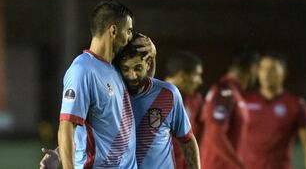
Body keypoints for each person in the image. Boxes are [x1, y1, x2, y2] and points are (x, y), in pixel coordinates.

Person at [39, 36, 200, 169]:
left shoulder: (168, 95)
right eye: (125, 69)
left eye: (138, 68)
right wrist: (59, 154)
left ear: (148, 64)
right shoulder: (109, 97)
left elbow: (187, 140)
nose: (132, 75)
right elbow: (81, 135)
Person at [47, 0, 156, 169]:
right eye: (128, 31)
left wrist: (152, 56)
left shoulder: (115, 69)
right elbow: (67, 126)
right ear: (113, 30)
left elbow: (143, 90)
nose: (130, 37)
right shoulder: (82, 70)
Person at [240, 53, 306, 169]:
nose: (266, 73)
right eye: (262, 69)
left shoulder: (296, 105)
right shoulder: (244, 102)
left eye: (272, 69)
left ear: (284, 73)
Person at [200, 49, 259, 169]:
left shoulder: (235, 93)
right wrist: (239, 166)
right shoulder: (225, 92)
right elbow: (215, 134)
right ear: (252, 68)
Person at [164, 51, 204, 169]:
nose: (200, 81)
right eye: (197, 75)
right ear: (182, 75)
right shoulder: (152, 99)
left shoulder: (195, 100)